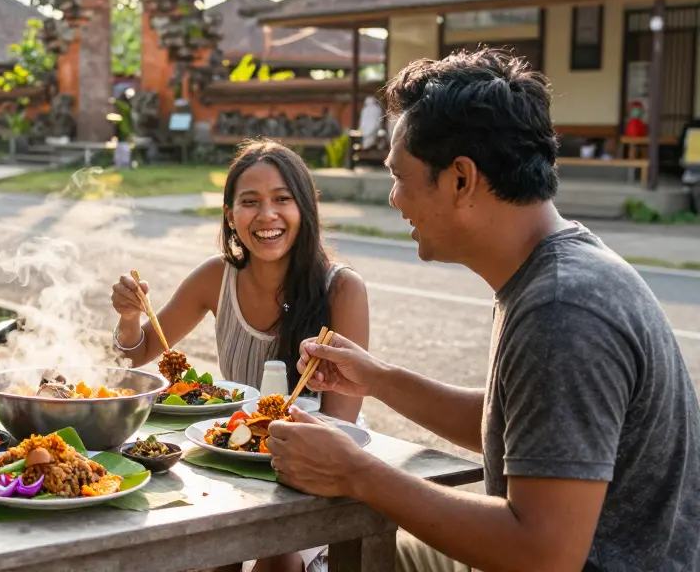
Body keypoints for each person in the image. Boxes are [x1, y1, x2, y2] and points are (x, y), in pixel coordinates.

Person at [273, 49, 700, 572]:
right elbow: (525, 425)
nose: (393, 199)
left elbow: (543, 554)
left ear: (460, 179)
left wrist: (357, 473)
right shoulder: (553, 269)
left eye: (401, 176)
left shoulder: (564, 309)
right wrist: (378, 379)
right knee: (344, 555)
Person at [110, 139, 370, 572]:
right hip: (232, 450)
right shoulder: (216, 277)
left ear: (305, 208)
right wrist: (129, 318)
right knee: (204, 550)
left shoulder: (342, 288)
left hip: (316, 458)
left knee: (278, 557)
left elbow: (339, 421)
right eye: (250, 202)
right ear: (231, 216)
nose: (267, 216)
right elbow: (137, 356)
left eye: (282, 199)